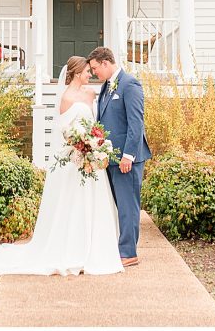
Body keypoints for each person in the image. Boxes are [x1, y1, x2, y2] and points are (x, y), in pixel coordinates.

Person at [0, 56, 124, 277]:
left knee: (94, 202)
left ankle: (95, 247)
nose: (90, 74)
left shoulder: (92, 94)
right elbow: (65, 131)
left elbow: (97, 122)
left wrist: (95, 145)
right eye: (86, 71)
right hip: (74, 159)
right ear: (76, 72)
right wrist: (80, 146)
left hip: (91, 159)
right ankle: (72, 248)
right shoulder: (65, 98)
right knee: (72, 204)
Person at [87, 46, 151, 267]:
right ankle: (119, 247)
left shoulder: (129, 84)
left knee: (128, 206)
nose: (94, 73)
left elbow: (136, 123)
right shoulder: (105, 86)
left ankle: (128, 252)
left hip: (126, 159)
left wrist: (128, 156)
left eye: (95, 68)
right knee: (117, 205)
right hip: (109, 158)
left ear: (106, 63)